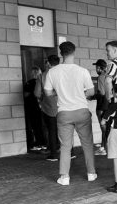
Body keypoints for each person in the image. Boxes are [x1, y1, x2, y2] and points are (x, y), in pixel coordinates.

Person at [44, 41, 97, 186]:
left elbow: (47, 92)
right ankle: (91, 173)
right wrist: (81, 94)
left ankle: (64, 177)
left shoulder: (53, 71)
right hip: (82, 111)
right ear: (74, 52)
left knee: (66, 146)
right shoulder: (82, 71)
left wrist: (59, 93)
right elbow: (92, 92)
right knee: (87, 143)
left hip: (64, 113)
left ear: (61, 53)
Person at [34, 55, 61, 161]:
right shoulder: (64, 74)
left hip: (49, 108)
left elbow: (36, 93)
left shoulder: (42, 76)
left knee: (51, 131)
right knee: (66, 131)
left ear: (49, 63)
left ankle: (53, 154)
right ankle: (71, 153)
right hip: (64, 107)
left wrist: (42, 98)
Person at [25, 66, 46, 151]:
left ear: (33, 73)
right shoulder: (43, 82)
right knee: (43, 126)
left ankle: (38, 143)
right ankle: (45, 143)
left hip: (33, 107)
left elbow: (25, 95)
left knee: (35, 126)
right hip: (44, 106)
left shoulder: (30, 83)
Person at [92, 59, 109, 156]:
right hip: (108, 105)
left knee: (103, 127)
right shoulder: (108, 76)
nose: (96, 69)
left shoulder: (101, 77)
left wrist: (92, 96)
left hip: (102, 106)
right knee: (107, 128)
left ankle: (103, 148)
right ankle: (104, 146)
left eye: (96, 67)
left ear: (100, 68)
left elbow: (102, 93)